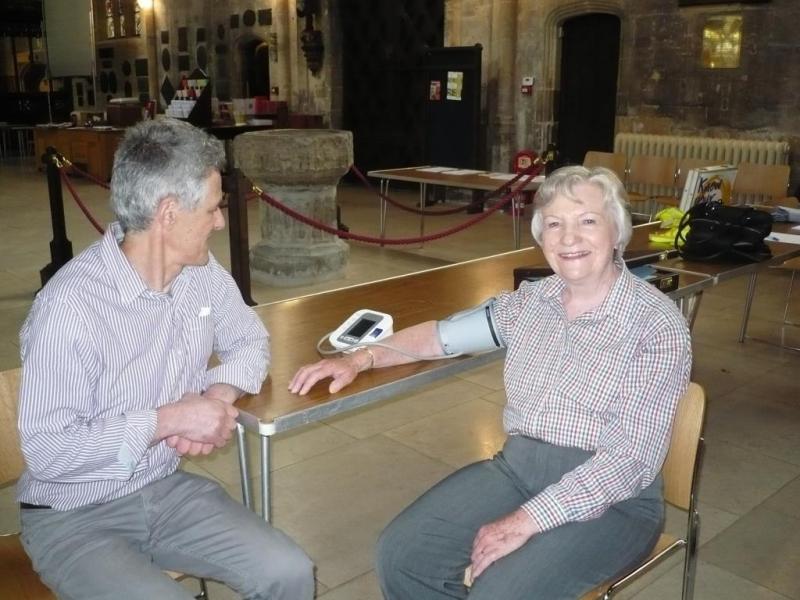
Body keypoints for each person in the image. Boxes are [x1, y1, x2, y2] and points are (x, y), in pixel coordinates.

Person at [289, 165, 692, 599]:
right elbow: (442, 338)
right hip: (518, 469)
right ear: (540, 236)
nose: (568, 238)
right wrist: (361, 357)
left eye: (587, 221)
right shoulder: (531, 302)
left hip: (615, 502)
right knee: (403, 555)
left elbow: (629, 463)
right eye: (554, 224)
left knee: (500, 590)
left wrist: (526, 520)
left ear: (617, 231)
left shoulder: (656, 326)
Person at [17, 118, 314, 600]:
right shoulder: (70, 307)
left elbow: (250, 340)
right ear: (169, 213)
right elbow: (49, 452)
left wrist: (215, 399)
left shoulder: (198, 271)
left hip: (161, 491)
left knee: (289, 570)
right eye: (214, 207)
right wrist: (169, 419)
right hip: (72, 517)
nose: (220, 221)